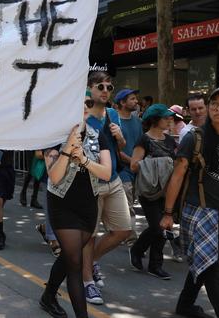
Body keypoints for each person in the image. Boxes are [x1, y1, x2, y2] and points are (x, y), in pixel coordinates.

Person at [161, 86, 219, 318]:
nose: (218, 107)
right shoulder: (194, 137)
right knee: (213, 267)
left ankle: (184, 305)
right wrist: (168, 213)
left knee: (205, 261)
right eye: (215, 102)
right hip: (199, 211)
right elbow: (178, 174)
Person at [39, 92, 112, 318]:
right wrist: (68, 147)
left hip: (88, 205)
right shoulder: (53, 136)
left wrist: (84, 160)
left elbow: (106, 173)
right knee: (75, 262)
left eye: (88, 103)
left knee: (70, 256)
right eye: (78, 102)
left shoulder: (98, 134)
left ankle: (48, 295)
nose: (84, 107)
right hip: (62, 205)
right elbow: (55, 176)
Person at [83, 71, 132, 304]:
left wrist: (120, 137)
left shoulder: (112, 115)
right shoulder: (81, 117)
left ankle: (90, 262)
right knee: (89, 236)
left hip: (113, 181)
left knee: (123, 230)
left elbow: (120, 148)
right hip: (90, 184)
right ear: (90, 89)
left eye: (109, 87)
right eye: (100, 86)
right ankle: (87, 283)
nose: (105, 90)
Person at [129, 104, 178, 280]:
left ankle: (153, 264)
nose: (169, 120)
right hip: (149, 191)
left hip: (167, 191)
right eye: (165, 118)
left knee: (162, 226)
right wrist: (159, 164)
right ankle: (139, 251)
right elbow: (134, 165)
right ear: (155, 120)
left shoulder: (170, 140)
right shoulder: (144, 140)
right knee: (158, 228)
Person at [115, 88, 143, 245]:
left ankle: (117, 230)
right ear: (122, 102)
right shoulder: (114, 122)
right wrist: (132, 161)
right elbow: (116, 150)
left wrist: (139, 162)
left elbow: (141, 144)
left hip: (137, 169)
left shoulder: (137, 121)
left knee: (126, 204)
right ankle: (132, 239)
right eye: (132, 99)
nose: (136, 101)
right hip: (122, 169)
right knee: (128, 206)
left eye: (135, 98)